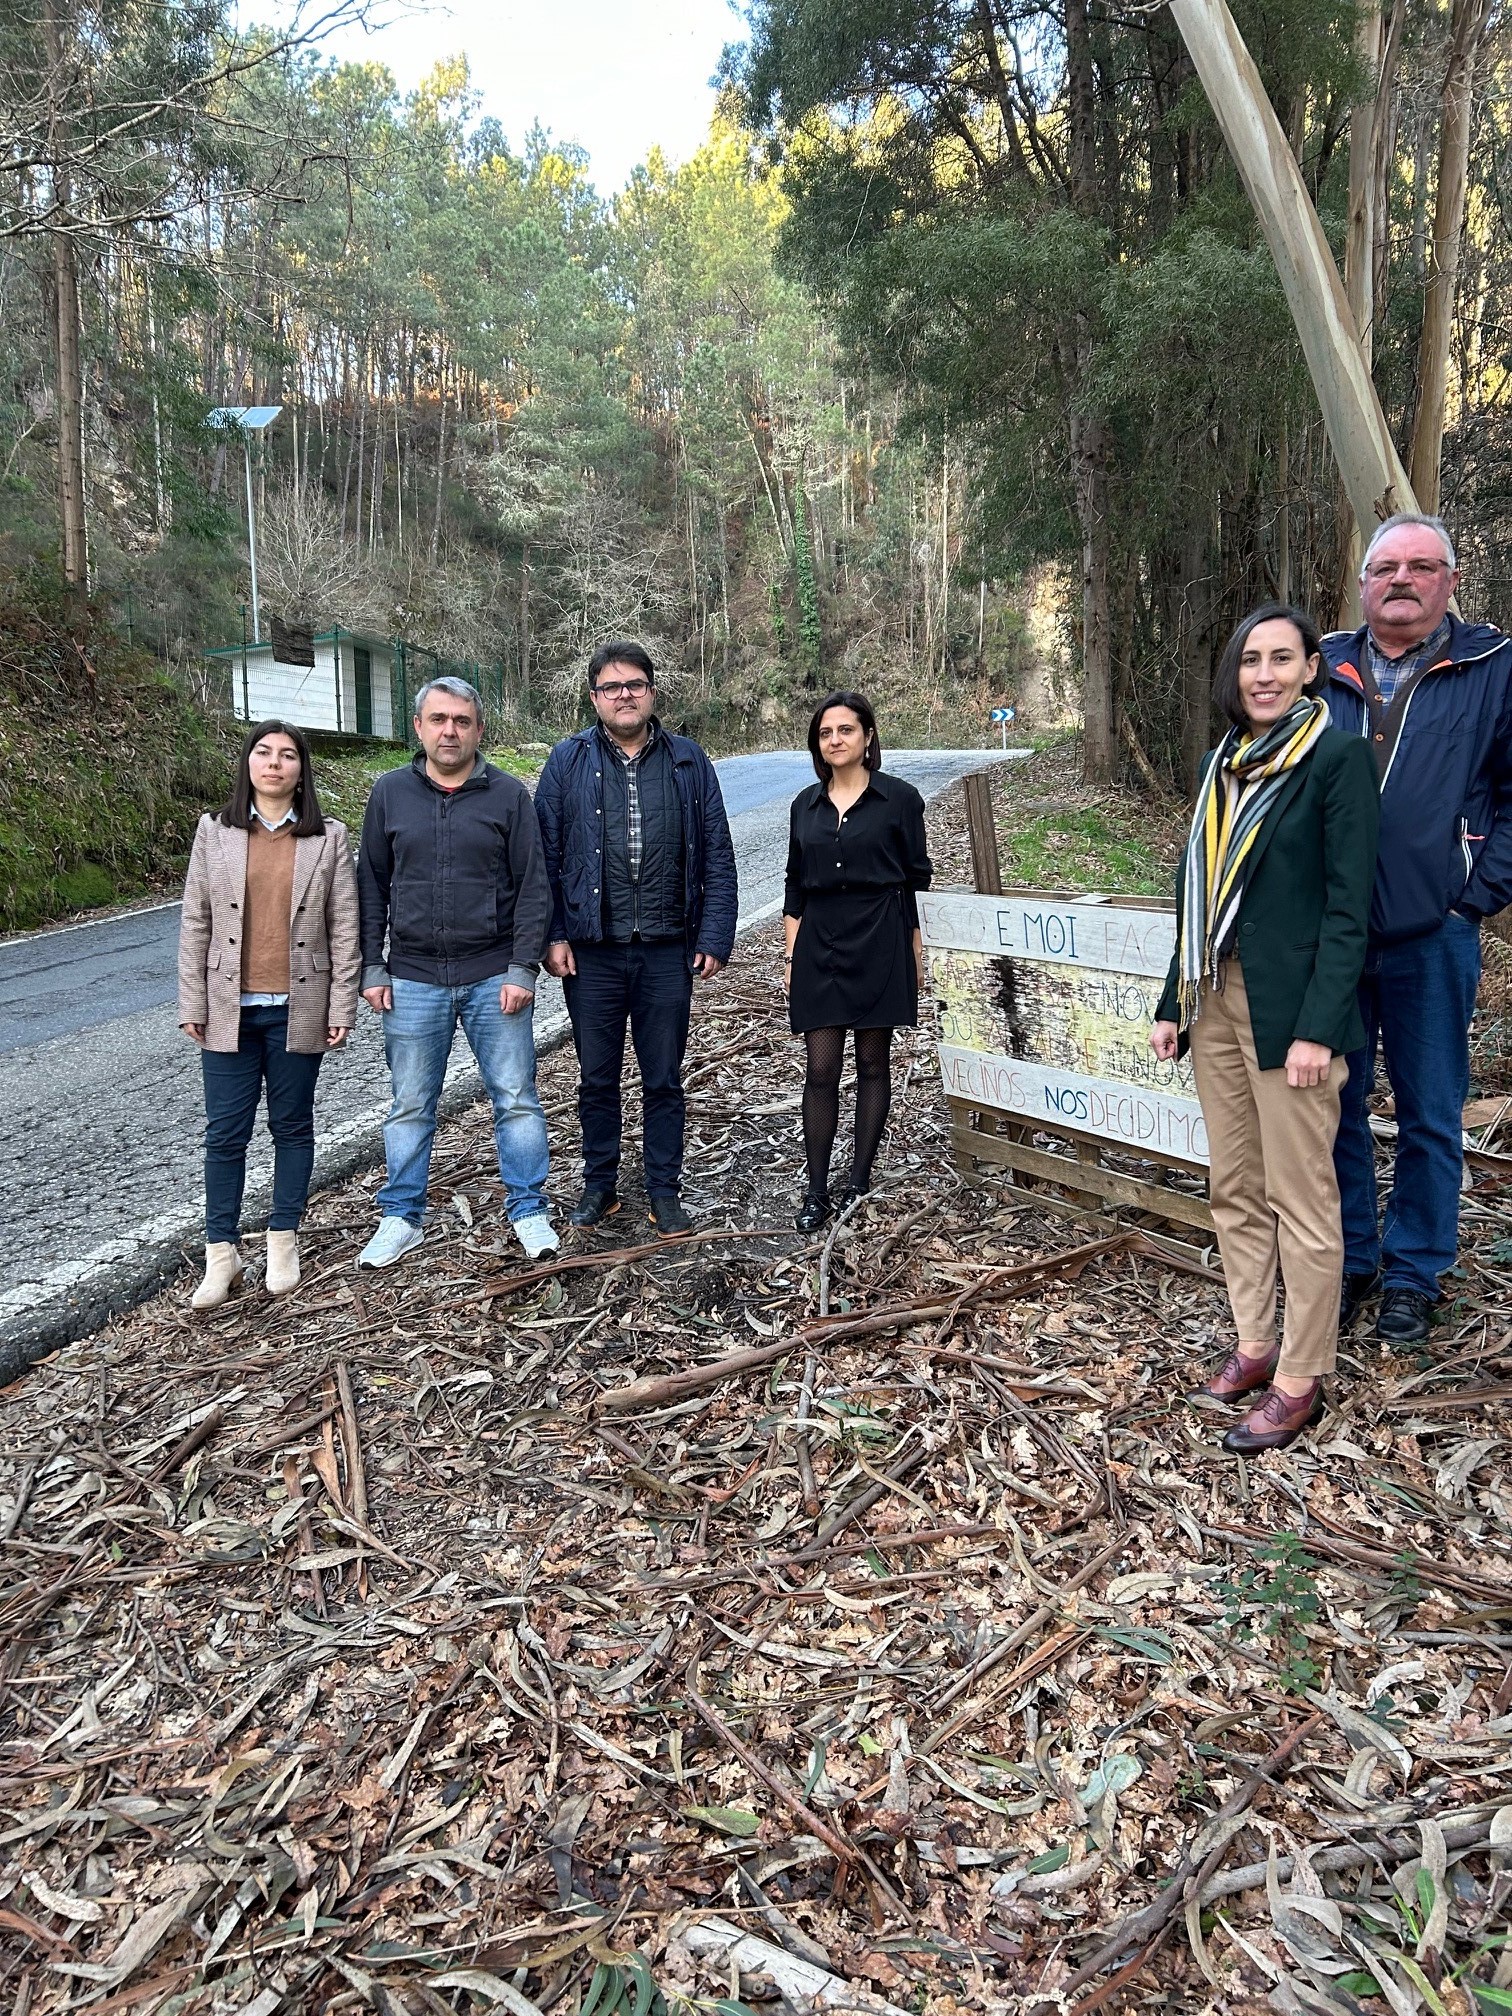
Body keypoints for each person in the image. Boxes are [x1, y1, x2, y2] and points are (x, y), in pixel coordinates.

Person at [1150, 604, 1379, 1453]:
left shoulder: (1337, 759)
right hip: (1215, 997)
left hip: (1294, 1013)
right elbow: (1197, 891)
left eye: (1283, 658)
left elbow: (1350, 909)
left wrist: (1320, 1028)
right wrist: (1173, 1001)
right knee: (1235, 1186)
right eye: (1251, 659)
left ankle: (1300, 1376)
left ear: (1313, 668)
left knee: (1302, 1197)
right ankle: (1255, 1344)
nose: (1265, 674)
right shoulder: (1221, 764)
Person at [1324, 513, 1512, 1344]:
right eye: (1386, 568)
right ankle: (1351, 1257)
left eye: (1422, 566)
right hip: (1333, 935)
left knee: (1431, 1112)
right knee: (1334, 1105)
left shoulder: (1492, 667)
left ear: (1450, 581)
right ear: (1364, 582)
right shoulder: (1322, 665)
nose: (1402, 579)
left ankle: (1414, 1273)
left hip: (1434, 933)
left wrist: (1475, 895)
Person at [536, 642, 738, 1234]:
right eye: (611, 686)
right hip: (592, 951)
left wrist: (714, 934)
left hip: (666, 950)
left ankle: (663, 1190)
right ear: (594, 697)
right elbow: (544, 856)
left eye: (635, 684)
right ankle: (600, 1185)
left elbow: (717, 853)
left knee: (664, 1078)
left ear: (651, 691)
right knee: (596, 1079)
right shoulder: (567, 760)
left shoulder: (688, 761)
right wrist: (553, 934)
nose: (624, 695)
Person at [356, 676, 555, 1266]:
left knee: (516, 1098)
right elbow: (371, 885)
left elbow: (533, 886)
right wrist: (372, 965)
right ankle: (401, 1216)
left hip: (495, 974)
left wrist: (522, 967)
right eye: (439, 720)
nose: (450, 731)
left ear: (479, 730)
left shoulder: (509, 796)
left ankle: (529, 1209)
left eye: (462, 721)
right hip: (412, 977)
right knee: (410, 1104)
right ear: (418, 727)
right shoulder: (389, 793)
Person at [178, 719, 360, 1308]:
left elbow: (344, 926)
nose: (275, 763)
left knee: (292, 1126)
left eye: (287, 755)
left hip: (297, 1007)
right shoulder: (215, 831)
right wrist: (193, 1000)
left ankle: (284, 1240)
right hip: (228, 1009)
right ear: (248, 764)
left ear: (302, 769)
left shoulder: (328, 837)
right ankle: (222, 1254)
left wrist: (341, 1003)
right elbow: (196, 921)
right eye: (264, 752)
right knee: (225, 1134)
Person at [783, 691, 933, 1232]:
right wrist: (791, 956)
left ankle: (859, 1178)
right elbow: (795, 884)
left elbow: (916, 881)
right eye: (826, 733)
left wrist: (915, 956)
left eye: (846, 730)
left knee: (873, 1062)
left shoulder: (900, 799)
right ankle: (816, 1188)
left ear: (868, 736)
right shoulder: (804, 805)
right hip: (819, 941)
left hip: (882, 936)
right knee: (821, 1068)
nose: (835, 740)